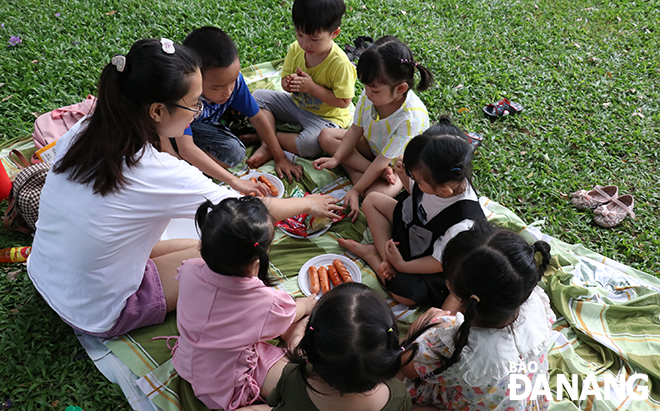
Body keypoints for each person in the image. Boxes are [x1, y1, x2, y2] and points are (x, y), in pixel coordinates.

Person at [26, 38, 341, 339]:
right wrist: (308, 203)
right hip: (96, 310)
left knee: (193, 237)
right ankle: (264, 314)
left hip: (46, 274)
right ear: (158, 111)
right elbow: (246, 211)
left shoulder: (85, 128)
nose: (199, 113)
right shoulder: (156, 170)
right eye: (194, 105)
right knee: (237, 246)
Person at [173, 197, 316, 411]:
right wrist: (307, 304)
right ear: (257, 263)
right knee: (304, 387)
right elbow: (292, 313)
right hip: (228, 384)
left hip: (188, 362)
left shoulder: (189, 269)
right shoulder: (266, 303)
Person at [399, 221, 553, 411]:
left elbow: (407, 367)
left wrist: (419, 326)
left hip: (477, 402)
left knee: (393, 385)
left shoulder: (453, 347)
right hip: (526, 400)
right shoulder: (538, 303)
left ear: (451, 287)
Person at [339, 119, 486, 307]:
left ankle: (374, 257)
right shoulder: (437, 178)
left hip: (428, 257)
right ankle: (387, 257)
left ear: (443, 191)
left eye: (416, 178)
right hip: (410, 225)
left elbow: (438, 262)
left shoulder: (462, 223)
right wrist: (403, 174)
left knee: (407, 295)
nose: (412, 180)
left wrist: (403, 266)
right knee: (372, 201)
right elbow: (416, 193)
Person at [312, 36, 432, 222]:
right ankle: (368, 173)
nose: (367, 93)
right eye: (365, 86)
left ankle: (362, 174)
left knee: (372, 196)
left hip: (398, 168)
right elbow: (355, 130)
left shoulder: (411, 118)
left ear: (400, 89)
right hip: (373, 148)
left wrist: (356, 189)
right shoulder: (371, 92)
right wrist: (336, 159)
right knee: (326, 136)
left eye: (374, 90)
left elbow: (385, 160)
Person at [165, 27, 302, 187]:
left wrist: (280, 158)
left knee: (235, 149)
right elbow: (186, 148)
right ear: (194, 78)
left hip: (200, 128)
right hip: (174, 131)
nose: (228, 91)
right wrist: (234, 181)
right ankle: (181, 166)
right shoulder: (185, 97)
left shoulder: (235, 84)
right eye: (217, 87)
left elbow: (257, 117)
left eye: (233, 80)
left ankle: (188, 164)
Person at [247, 282, 411, 411]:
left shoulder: (294, 375)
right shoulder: (397, 394)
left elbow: (275, 402)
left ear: (310, 347)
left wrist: (296, 337)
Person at [251, 0, 357, 162]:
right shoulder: (295, 48)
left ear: (334, 33)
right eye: (300, 34)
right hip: (296, 104)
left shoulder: (340, 64)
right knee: (257, 97)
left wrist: (312, 88)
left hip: (326, 118)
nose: (305, 43)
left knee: (310, 144)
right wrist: (288, 83)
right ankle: (270, 143)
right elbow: (284, 80)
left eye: (315, 39)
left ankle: (268, 140)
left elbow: (344, 102)